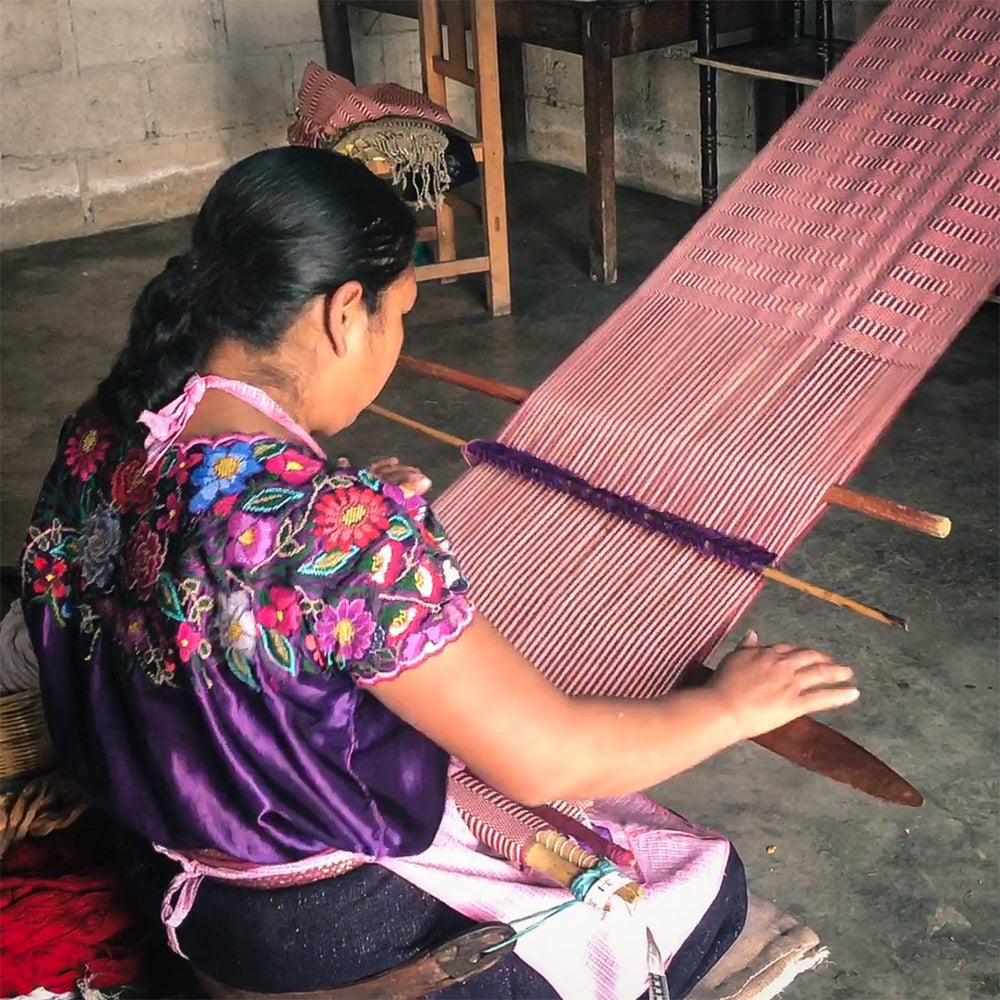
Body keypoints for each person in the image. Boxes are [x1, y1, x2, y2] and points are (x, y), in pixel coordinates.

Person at [20, 147, 859, 999]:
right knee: (704, 889)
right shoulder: (335, 525)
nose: (396, 343)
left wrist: (347, 508)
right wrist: (731, 705)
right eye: (401, 315)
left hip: (155, 858)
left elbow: (205, 560)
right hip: (311, 927)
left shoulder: (104, 428)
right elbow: (547, 760)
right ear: (347, 312)